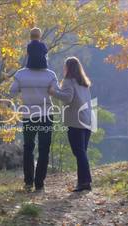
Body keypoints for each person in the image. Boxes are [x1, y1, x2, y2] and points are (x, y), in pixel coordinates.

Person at [10, 50, 58, 192]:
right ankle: (39, 184)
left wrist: (23, 89)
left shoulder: (20, 74)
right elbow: (55, 91)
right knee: (44, 149)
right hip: (46, 115)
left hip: (28, 116)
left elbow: (11, 92)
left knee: (28, 148)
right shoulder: (50, 74)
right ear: (44, 57)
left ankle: (28, 182)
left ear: (29, 56)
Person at [49, 57, 93, 192]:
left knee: (79, 152)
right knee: (82, 152)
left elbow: (67, 98)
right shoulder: (84, 83)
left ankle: (85, 182)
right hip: (87, 121)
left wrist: (52, 92)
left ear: (68, 68)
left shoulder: (68, 81)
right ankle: (84, 182)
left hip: (75, 122)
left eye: (65, 66)